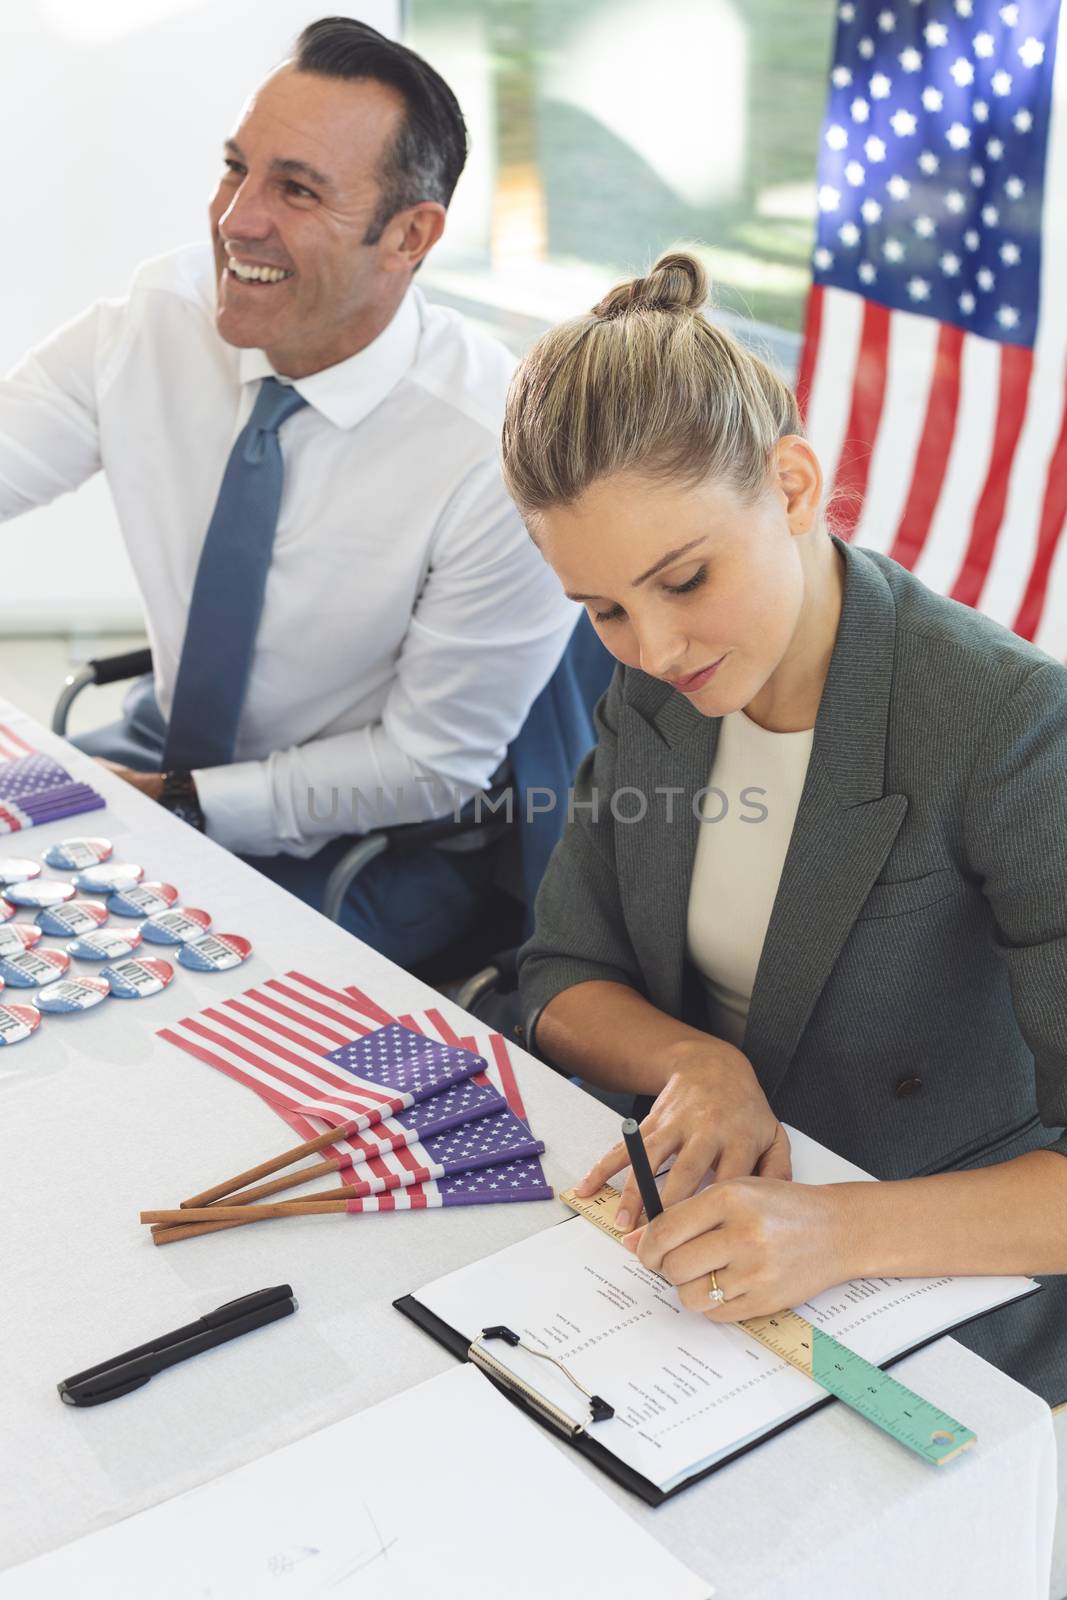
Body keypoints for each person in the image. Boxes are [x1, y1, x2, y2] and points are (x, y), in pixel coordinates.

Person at [503, 251, 1067, 1408]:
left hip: (933, 1282)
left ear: (795, 486)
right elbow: (559, 974)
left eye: (684, 578)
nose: (653, 649)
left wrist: (835, 1230)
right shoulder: (660, 684)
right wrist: (697, 1063)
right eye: (602, 610)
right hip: (691, 1262)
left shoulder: (1007, 724)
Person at [0, 17, 575, 967]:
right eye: (236, 168)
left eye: (296, 189)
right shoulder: (160, 317)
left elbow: (429, 766)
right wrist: (156, 792)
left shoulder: (494, 447)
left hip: (369, 843)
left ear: (408, 236)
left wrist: (176, 805)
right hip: (163, 747)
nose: (236, 219)